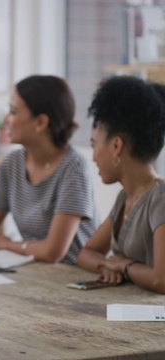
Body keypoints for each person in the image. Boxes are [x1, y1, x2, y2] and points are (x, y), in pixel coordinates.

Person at [0, 75, 100, 264]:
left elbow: (53, 252)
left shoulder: (74, 168)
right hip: (36, 273)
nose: (5, 119)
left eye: (13, 112)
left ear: (40, 123)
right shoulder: (11, 164)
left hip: (75, 278)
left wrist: (6, 244)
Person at [77, 76, 165, 294]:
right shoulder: (125, 197)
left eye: (94, 144)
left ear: (117, 146)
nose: (94, 157)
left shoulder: (160, 198)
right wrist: (110, 265)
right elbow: (87, 253)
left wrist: (124, 266)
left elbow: (161, 280)